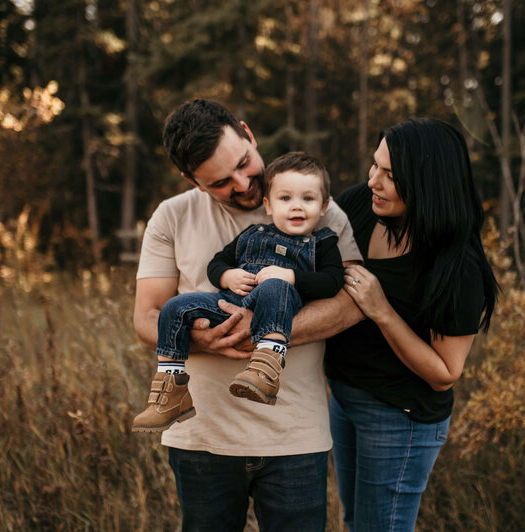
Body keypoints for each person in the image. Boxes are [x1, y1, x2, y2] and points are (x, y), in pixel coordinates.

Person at [132, 99, 362, 531]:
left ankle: (265, 367)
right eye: (220, 182)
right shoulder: (172, 216)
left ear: (248, 133)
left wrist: (264, 331)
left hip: (293, 435)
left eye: (244, 162)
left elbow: (352, 301)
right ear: (191, 180)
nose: (242, 183)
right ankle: (171, 390)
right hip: (201, 439)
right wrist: (200, 338)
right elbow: (147, 315)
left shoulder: (310, 205)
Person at [325, 117, 499, 531]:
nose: (373, 182)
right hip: (344, 397)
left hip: (399, 417)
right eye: (375, 166)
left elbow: (445, 373)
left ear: (427, 182)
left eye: (390, 175)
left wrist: (382, 310)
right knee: (356, 522)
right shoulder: (359, 209)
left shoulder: (457, 265)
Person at [131, 151, 344, 432]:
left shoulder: (322, 242)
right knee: (175, 307)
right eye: (285, 199)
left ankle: (266, 369)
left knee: (274, 286)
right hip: (230, 301)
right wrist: (228, 276)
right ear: (268, 205)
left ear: (324, 205)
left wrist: (291, 276)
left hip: (277, 303)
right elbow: (216, 264)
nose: (296, 207)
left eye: (308, 199)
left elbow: (333, 281)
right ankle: (172, 389)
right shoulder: (252, 234)